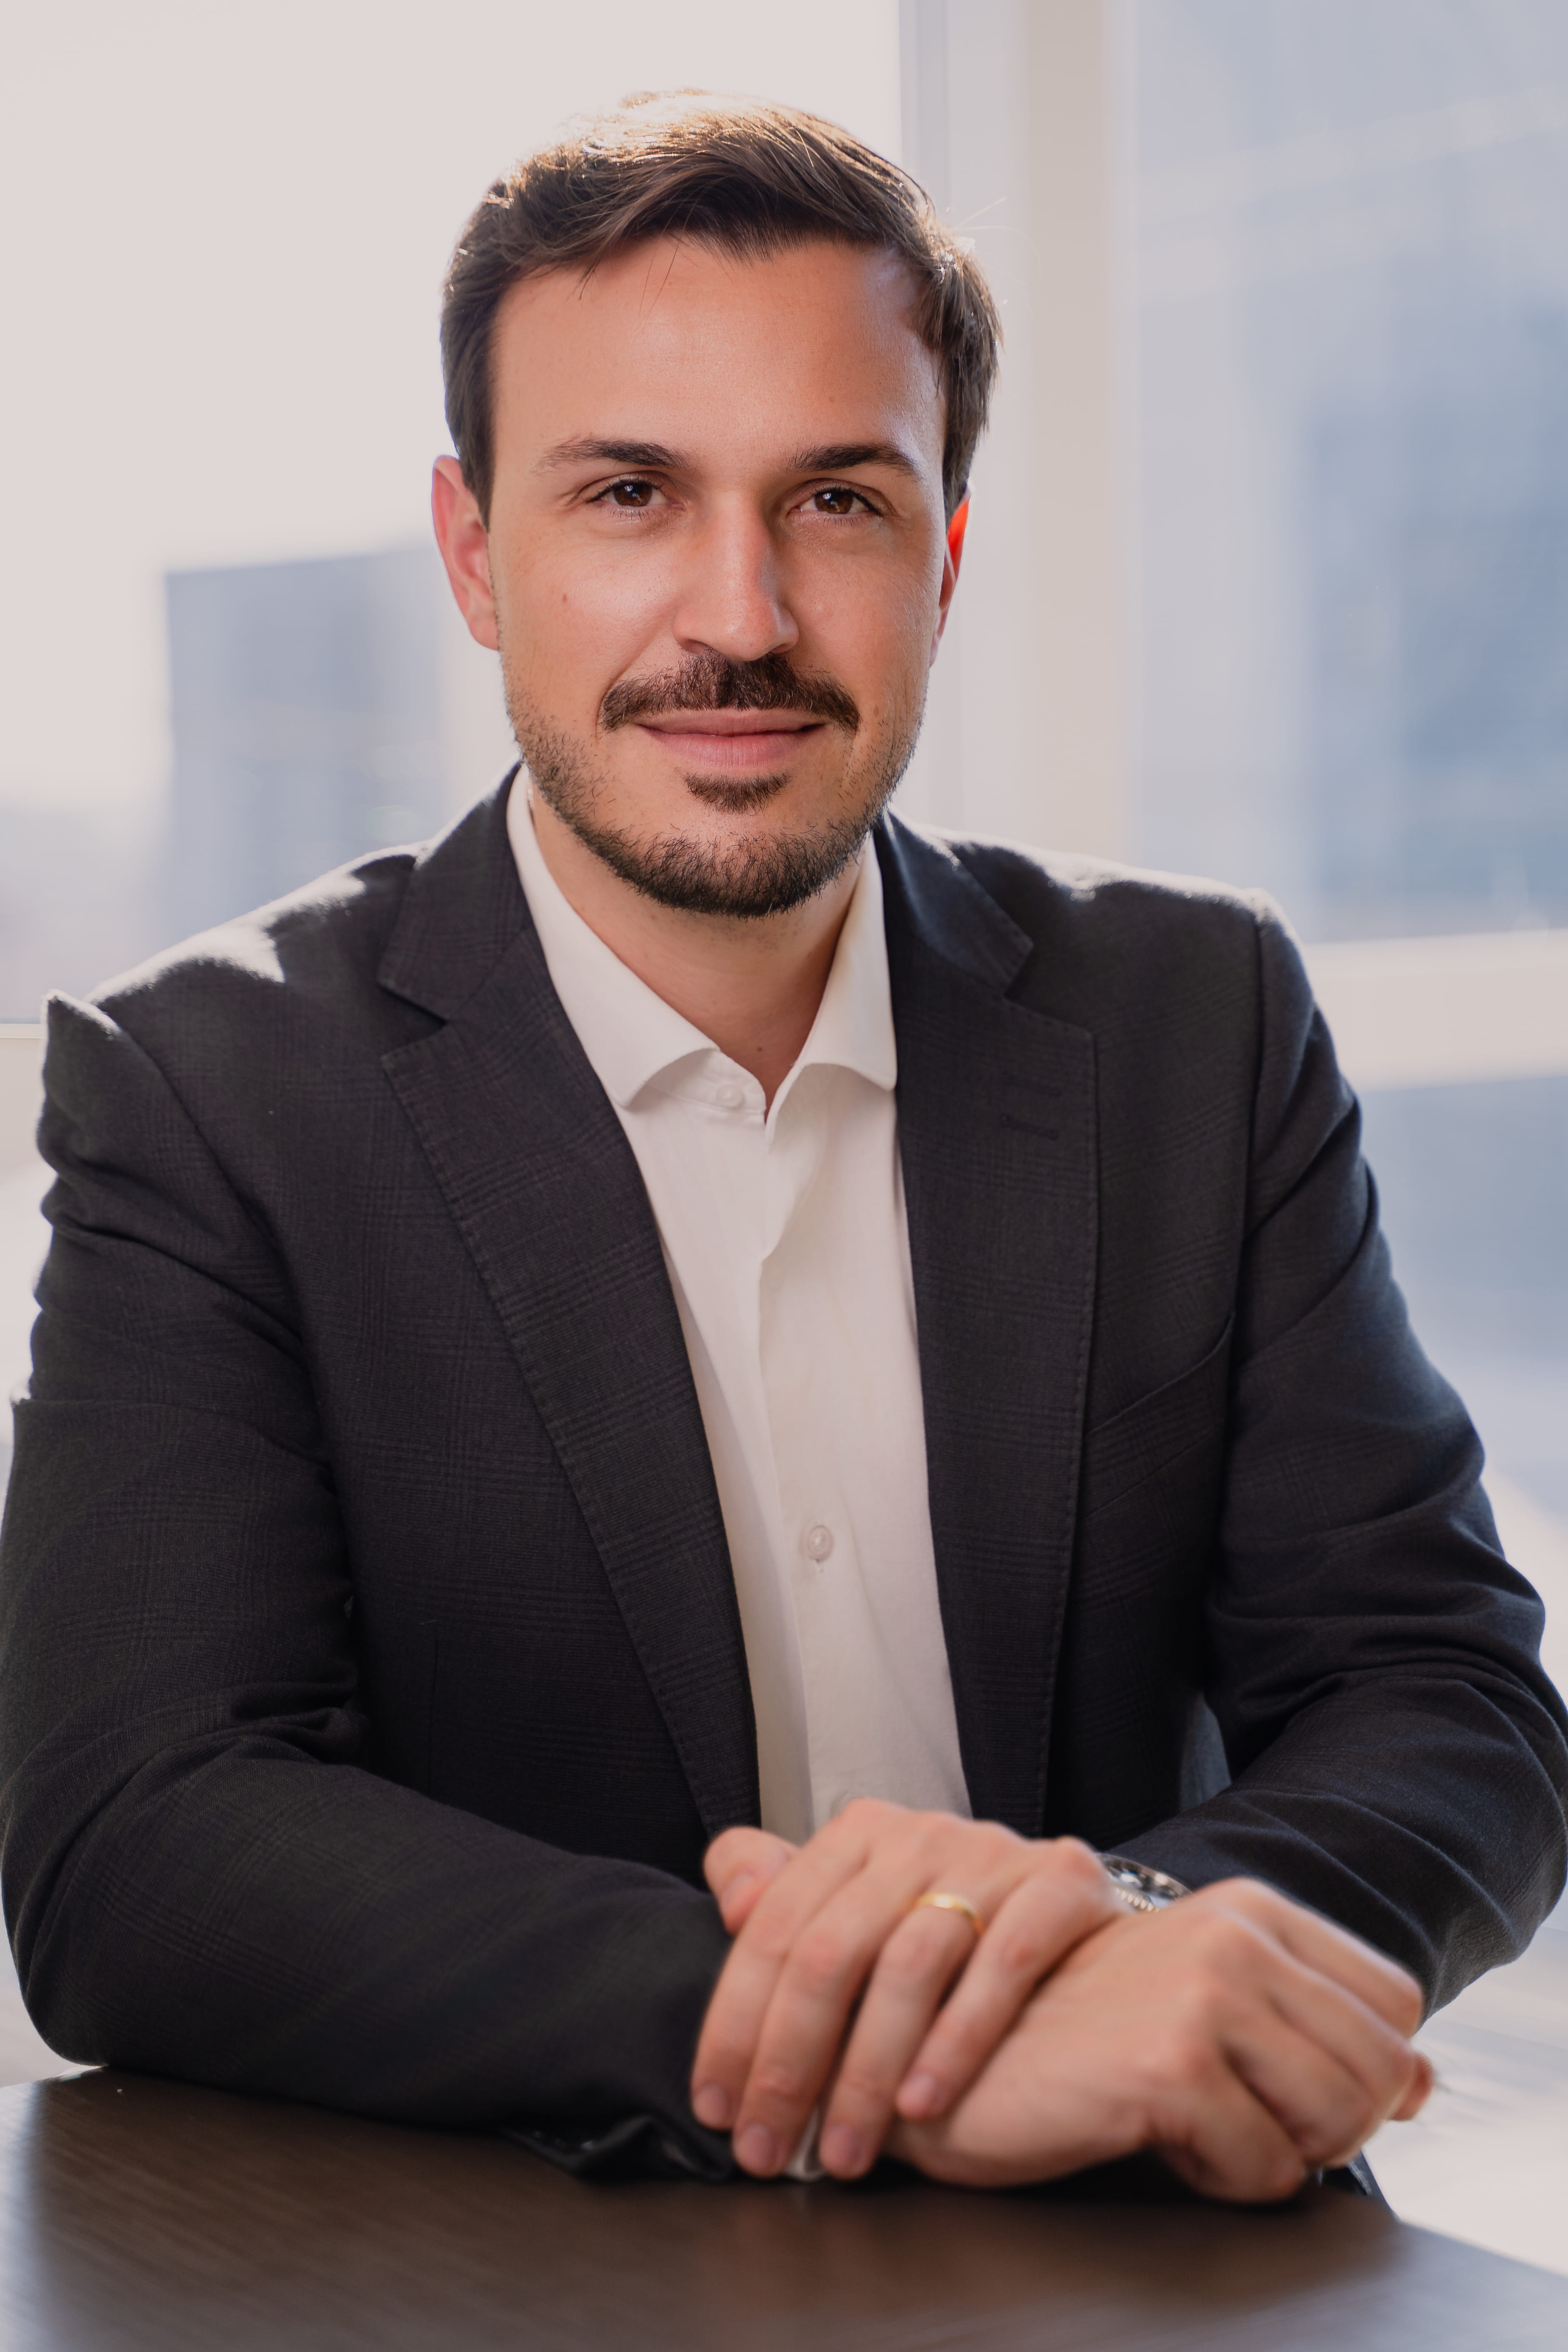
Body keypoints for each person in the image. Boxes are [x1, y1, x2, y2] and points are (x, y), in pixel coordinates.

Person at [1, 93, 1563, 2204]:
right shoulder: (212, 1091)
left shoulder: (1196, 1020)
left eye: (834, 498)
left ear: (944, 553)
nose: (736, 613)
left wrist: (1119, 1929)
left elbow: (1444, 1693)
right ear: (475, 556)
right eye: (627, 492)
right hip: (526, 2271)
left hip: (1141, 2254)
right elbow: (135, 1839)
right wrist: (868, 2023)